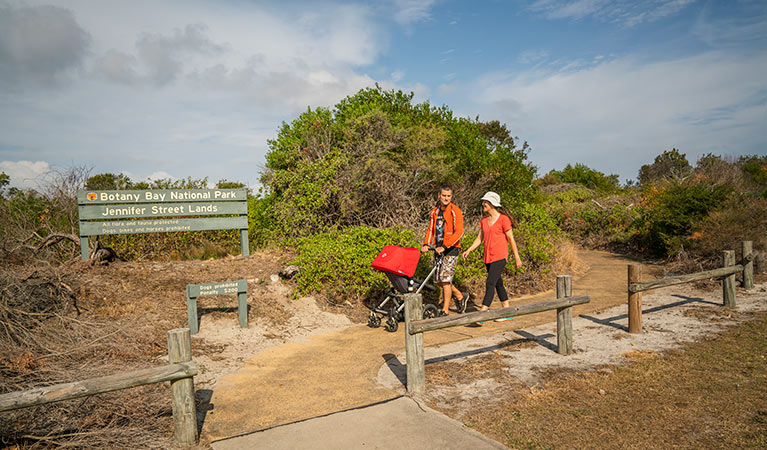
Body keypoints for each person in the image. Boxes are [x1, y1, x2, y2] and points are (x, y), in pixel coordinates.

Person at [461, 191, 522, 324]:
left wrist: (517, 257)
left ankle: (483, 314)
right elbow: (479, 239)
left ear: (492, 204)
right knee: (498, 283)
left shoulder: (503, 220)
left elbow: (511, 239)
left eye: (485, 202)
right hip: (488, 257)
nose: (483, 204)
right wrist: (469, 250)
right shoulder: (484, 220)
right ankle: (507, 311)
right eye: (483, 202)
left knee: (490, 283)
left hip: (500, 257)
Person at [421, 185, 469, 316]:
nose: (446, 198)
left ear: (451, 197)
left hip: (451, 249)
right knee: (438, 281)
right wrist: (426, 243)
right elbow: (431, 229)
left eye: (448, 196)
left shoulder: (455, 210)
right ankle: (459, 295)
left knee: (446, 280)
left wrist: (446, 246)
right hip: (438, 249)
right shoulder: (435, 212)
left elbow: (459, 232)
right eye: (444, 195)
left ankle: (445, 310)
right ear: (439, 195)